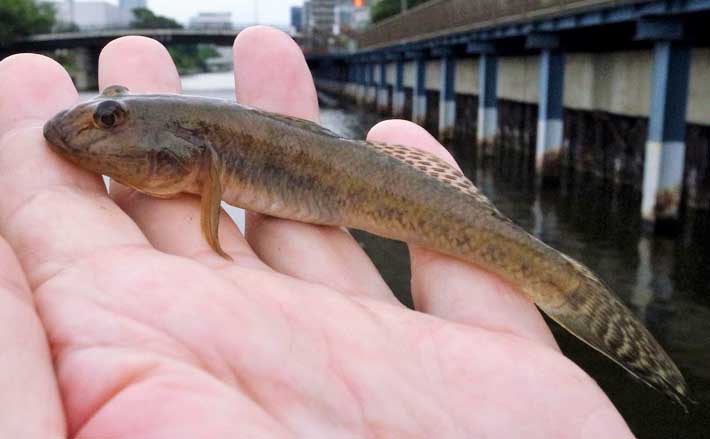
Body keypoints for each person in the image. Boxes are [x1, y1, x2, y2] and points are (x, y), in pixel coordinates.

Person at [0, 26, 634, 438]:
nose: (100, 124)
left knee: (515, 256)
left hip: (366, 190)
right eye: (108, 112)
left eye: (110, 116)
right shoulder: (189, 147)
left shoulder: (196, 147)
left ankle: (557, 284)